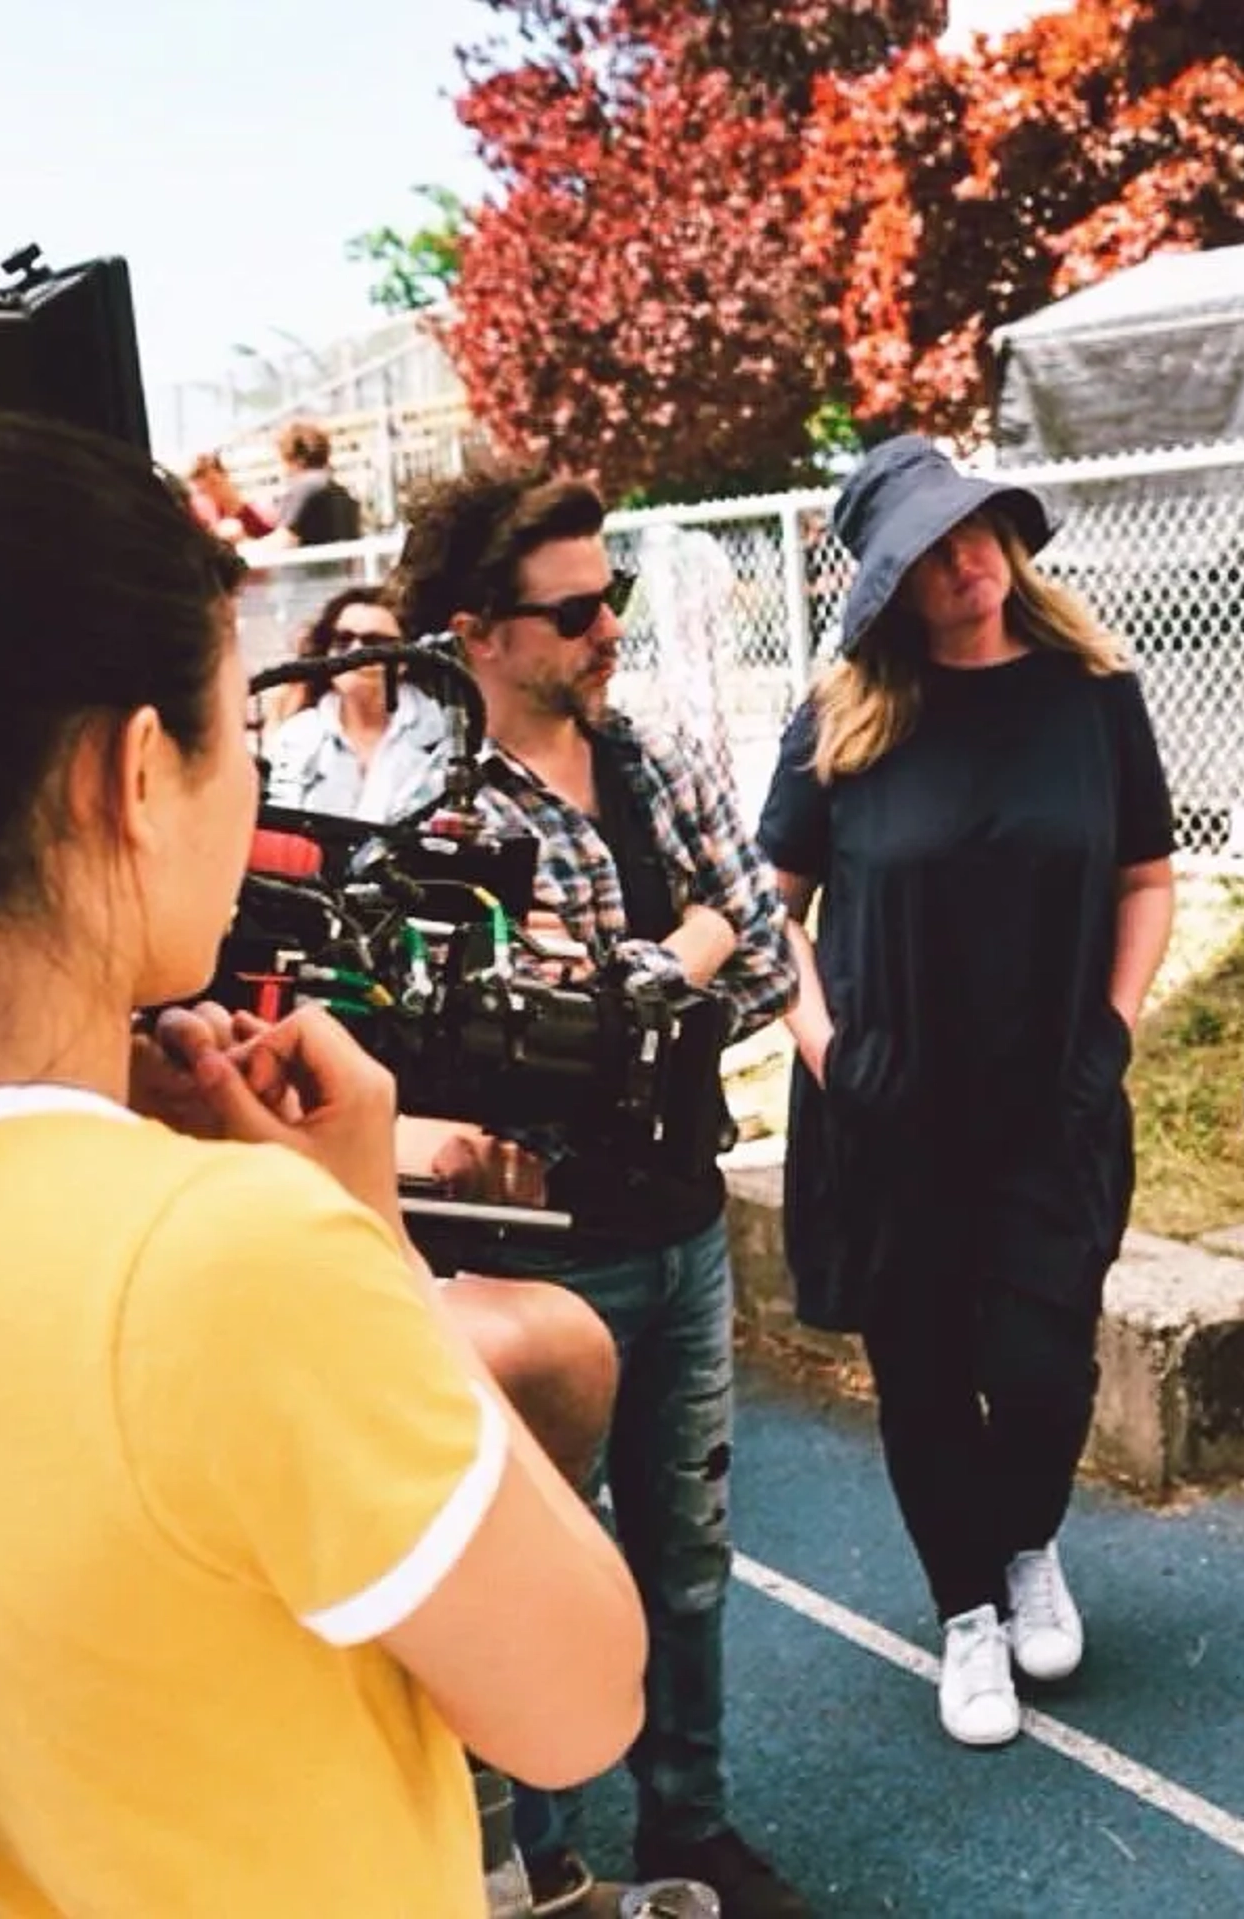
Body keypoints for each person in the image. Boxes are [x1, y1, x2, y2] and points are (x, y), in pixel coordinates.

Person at [0, 408, 647, 1919]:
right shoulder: (234, 1260)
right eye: (235, 724)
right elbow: (580, 1698)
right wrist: (366, 1235)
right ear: (132, 776)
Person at [389, 472, 811, 1919]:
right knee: (540, 1563)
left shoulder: (653, 756)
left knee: (688, 1557)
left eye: (611, 595)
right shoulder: (430, 806)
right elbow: (465, 1040)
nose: (608, 628)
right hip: (528, 1259)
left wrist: (630, 986)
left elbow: (761, 954)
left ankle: (688, 1824)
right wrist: (670, 956)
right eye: (572, 611)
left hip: (679, 1226)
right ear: (479, 635)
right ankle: (549, 1857)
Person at [756, 435, 1177, 1748]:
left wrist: (1111, 1029)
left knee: (1044, 1368)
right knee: (928, 1370)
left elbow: (1148, 880)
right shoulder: (841, 723)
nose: (969, 561)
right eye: (933, 550)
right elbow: (768, 916)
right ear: (886, 583)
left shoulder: (1092, 696)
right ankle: (967, 1616)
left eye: (981, 529)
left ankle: (1026, 1539)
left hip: (1053, 1095)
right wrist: (833, 1054)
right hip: (892, 1109)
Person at [264, 584, 453, 823]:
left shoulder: (445, 733)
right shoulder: (297, 736)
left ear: (405, 659)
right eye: (342, 640)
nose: (354, 652)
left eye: (373, 642)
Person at [252, 418, 364, 549]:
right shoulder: (340, 491)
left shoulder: (306, 486)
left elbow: (283, 542)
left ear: (292, 458)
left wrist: (237, 552)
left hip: (316, 568)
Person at [186, 449, 274, 541]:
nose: (212, 494)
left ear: (225, 474)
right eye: (203, 491)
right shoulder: (214, 525)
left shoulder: (261, 509)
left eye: (213, 484)